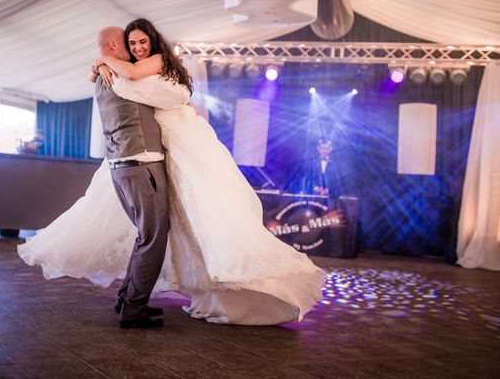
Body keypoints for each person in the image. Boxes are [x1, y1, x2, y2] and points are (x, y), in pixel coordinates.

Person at [19, 19, 325, 326]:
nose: (134, 49)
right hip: (141, 163)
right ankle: (133, 308)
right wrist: (102, 63)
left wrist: (100, 64)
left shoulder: (121, 75)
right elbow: (164, 91)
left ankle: (128, 299)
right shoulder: (124, 79)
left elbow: (159, 90)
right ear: (115, 46)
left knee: (147, 235)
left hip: (132, 164)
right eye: (130, 44)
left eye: (140, 43)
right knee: (152, 237)